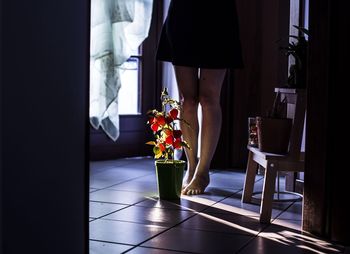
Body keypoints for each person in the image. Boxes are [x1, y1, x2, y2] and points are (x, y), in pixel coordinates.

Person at [156, 0, 243, 195]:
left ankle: (203, 171)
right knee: (188, 100)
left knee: (209, 97)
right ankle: (192, 166)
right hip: (183, 13)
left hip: (218, 14)